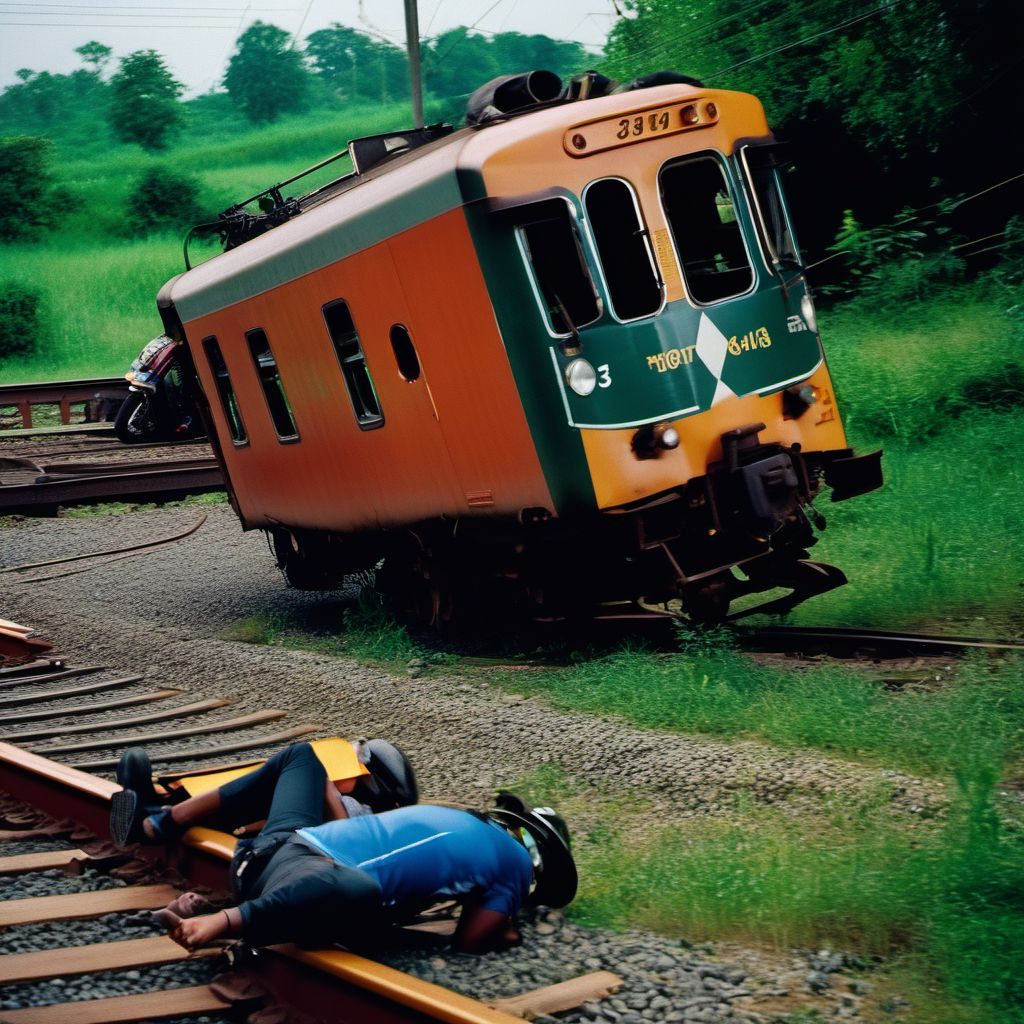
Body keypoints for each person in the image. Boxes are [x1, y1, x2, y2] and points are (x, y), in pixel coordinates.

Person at [110, 741, 576, 955]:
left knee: (300, 756)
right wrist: (508, 932)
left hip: (270, 852)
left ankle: (159, 825)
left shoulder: (462, 820)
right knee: (355, 887)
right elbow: (470, 942)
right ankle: (220, 920)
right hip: (302, 873)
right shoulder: (514, 867)